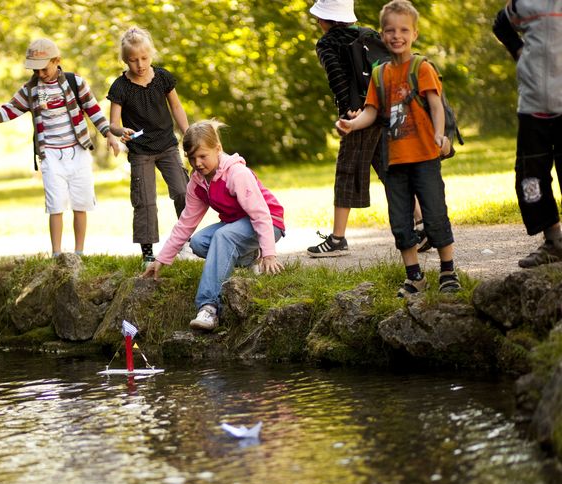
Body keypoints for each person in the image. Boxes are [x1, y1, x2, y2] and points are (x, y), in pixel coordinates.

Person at [336, 0, 460, 296]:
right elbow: (371, 112)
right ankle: (414, 276)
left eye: (404, 29)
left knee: (434, 215)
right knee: (401, 221)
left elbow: (435, 105)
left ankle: (448, 271)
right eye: (390, 30)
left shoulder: (422, 67)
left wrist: (440, 136)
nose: (396, 35)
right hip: (393, 161)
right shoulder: (379, 74)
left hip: (425, 157)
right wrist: (352, 124)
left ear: (414, 33)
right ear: (382, 34)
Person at [0, 37, 121, 256]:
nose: (40, 74)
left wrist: (109, 134)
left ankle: (79, 253)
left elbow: (93, 110)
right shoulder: (30, 90)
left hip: (78, 151)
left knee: (81, 204)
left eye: (43, 68)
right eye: (35, 70)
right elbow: (9, 110)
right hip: (50, 155)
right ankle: (57, 254)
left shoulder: (75, 82)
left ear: (56, 60)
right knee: (56, 205)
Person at [306, 0, 426, 258]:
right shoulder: (368, 33)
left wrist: (350, 109)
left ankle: (337, 239)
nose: (317, 22)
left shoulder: (328, 43)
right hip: (383, 109)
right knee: (389, 168)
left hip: (358, 115)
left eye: (319, 17)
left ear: (327, 19)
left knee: (347, 171)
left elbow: (336, 76)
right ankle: (422, 223)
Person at [142, 121, 285, 331]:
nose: (197, 163)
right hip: (236, 226)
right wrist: (162, 259)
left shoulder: (237, 174)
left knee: (223, 237)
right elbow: (185, 224)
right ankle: (248, 259)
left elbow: (260, 214)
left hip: (269, 223)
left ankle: (208, 307)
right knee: (198, 243)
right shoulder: (198, 183)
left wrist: (269, 253)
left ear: (217, 149)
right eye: (191, 158)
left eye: (202, 156)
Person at [107, 26, 190, 263]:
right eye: (133, 60)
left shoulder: (162, 77)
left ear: (151, 55)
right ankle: (148, 254)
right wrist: (120, 130)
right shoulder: (120, 87)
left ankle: (186, 243)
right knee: (144, 201)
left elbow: (176, 107)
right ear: (125, 60)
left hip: (167, 146)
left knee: (183, 191)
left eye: (144, 58)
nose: (140, 65)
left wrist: (188, 134)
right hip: (140, 151)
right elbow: (113, 123)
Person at [494, 1, 562, 268]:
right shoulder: (522, 2)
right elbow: (501, 24)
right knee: (530, 175)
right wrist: (520, 53)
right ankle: (553, 241)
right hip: (533, 105)